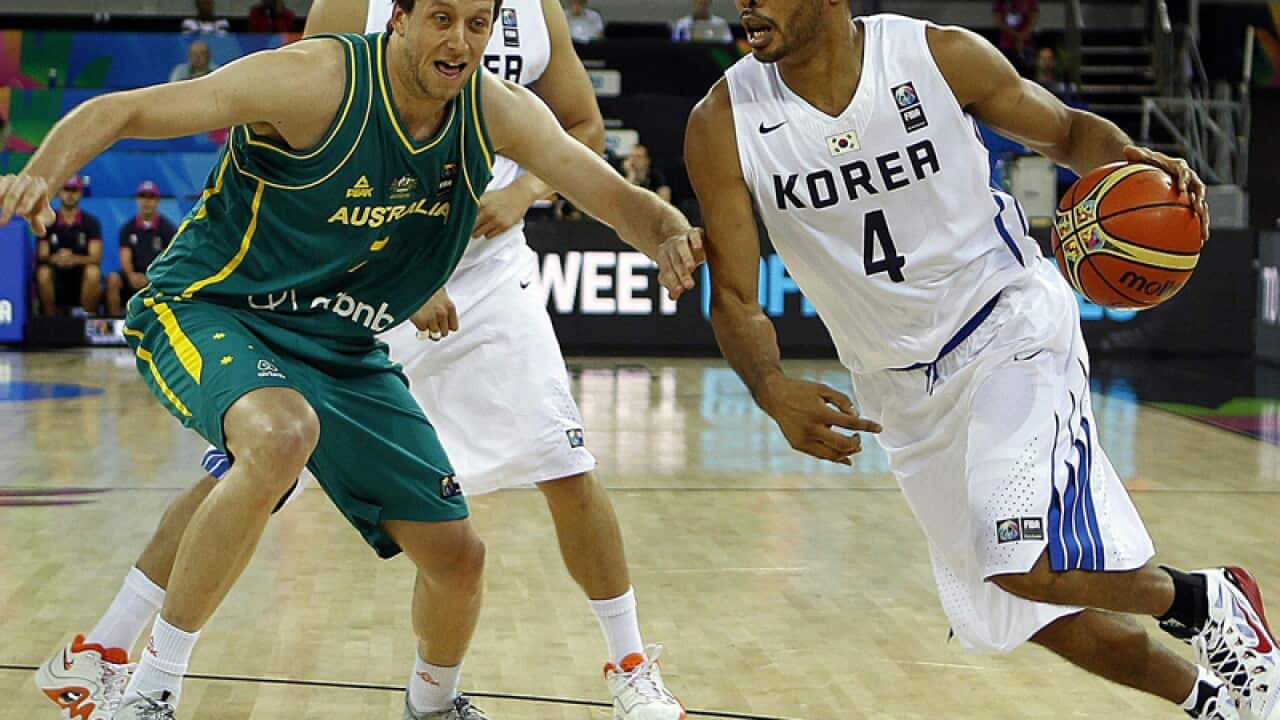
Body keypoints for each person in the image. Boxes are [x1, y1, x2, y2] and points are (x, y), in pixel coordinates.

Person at [7, 1, 703, 718]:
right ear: (397, 18)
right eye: (440, 18)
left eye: (476, 23)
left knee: (457, 556)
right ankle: (149, 691)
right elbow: (121, 110)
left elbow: (608, 191)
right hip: (217, 305)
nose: (460, 41)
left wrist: (668, 232)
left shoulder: (494, 107)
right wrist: (40, 175)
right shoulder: (316, 80)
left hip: (341, 337)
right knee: (280, 439)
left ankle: (431, 705)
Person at [686, 3, 1274, 720]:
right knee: (1018, 607)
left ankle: (1204, 599)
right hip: (894, 388)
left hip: (1005, 327)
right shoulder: (722, 122)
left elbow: (1064, 132)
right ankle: (1214, 700)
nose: (745, 4)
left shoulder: (936, 57)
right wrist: (770, 387)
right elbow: (737, 297)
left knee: (1019, 559)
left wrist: (1126, 162)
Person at [106, 181, 177, 317]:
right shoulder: (127, 228)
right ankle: (115, 324)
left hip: (156, 278)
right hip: (132, 276)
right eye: (143, 196)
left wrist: (151, 278)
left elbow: (170, 261)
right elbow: (125, 258)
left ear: (157, 201)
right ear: (137, 200)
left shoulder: (168, 229)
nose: (147, 201)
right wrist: (131, 275)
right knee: (113, 279)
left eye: (151, 197)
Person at [34, 176, 102, 317]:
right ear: (59, 192)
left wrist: (73, 259)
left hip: (80, 277)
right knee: (43, 273)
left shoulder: (91, 222)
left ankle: (86, 318)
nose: (70, 194)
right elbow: (42, 255)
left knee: (93, 272)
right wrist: (57, 258)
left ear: (81, 193)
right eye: (66, 189)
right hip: (56, 276)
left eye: (74, 190)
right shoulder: (47, 222)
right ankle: (50, 319)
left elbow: (96, 257)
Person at [993, 0, 1037, 75]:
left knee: (1026, 74)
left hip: (1026, 45)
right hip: (1006, 46)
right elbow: (999, 22)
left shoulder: (1030, 1)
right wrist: (1017, 36)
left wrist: (1022, 36)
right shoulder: (1000, 2)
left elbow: (1033, 20)